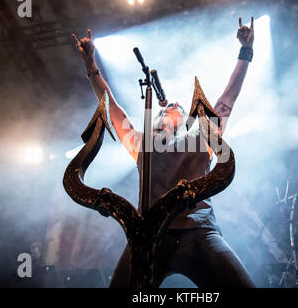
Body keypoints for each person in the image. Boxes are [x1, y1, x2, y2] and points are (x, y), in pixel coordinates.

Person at [71, 16, 256, 288]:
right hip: (148, 236)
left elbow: (227, 99)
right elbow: (111, 108)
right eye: (168, 107)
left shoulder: (200, 136)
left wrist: (246, 51)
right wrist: (91, 65)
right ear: (156, 118)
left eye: (178, 107)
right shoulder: (141, 141)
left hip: (200, 231)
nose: (175, 105)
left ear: (184, 119)